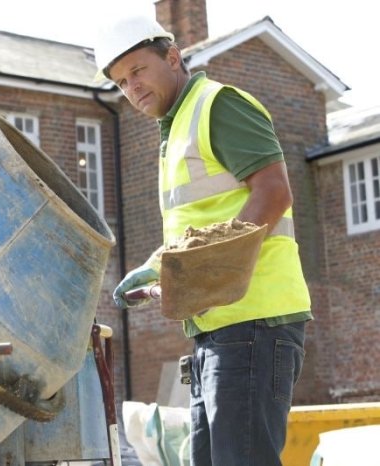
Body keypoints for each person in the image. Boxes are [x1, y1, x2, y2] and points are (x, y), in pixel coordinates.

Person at [93, 14, 313, 466]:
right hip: (221, 327)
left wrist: (206, 275)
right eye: (120, 82)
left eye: (137, 71)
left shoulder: (219, 105)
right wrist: (160, 264)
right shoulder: (175, 130)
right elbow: (204, 221)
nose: (130, 88)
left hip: (254, 321)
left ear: (172, 57)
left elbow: (274, 191)